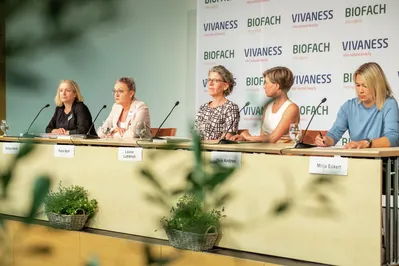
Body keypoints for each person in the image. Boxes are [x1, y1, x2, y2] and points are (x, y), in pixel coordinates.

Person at [315, 62, 399, 149]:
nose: (360, 91)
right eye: (358, 85)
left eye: (365, 86)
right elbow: (334, 134)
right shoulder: (348, 107)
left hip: (381, 160)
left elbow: (393, 138)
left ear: (377, 85)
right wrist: (325, 140)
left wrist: (366, 143)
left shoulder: (389, 104)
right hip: (355, 158)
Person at [231, 66, 299, 143]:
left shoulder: (291, 108)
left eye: (266, 83)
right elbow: (262, 136)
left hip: (283, 153)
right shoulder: (267, 106)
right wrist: (243, 138)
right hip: (266, 151)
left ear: (276, 86)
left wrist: (248, 137)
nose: (264, 86)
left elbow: (273, 138)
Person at [194, 65, 240, 140]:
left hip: (217, 151)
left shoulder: (231, 108)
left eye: (216, 80)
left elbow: (225, 139)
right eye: (209, 80)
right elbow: (194, 136)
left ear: (225, 86)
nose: (210, 83)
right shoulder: (203, 108)